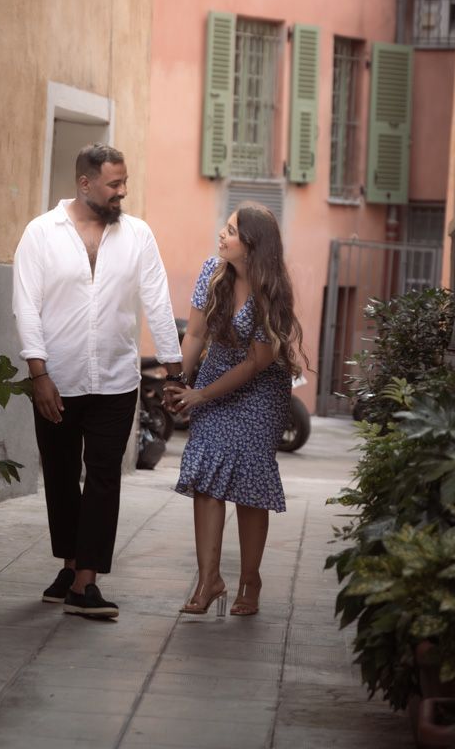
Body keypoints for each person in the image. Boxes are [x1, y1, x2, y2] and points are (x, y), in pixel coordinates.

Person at [12, 143, 183, 620]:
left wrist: (173, 367)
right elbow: (26, 306)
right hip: (57, 379)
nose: (122, 192)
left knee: (105, 477)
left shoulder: (138, 236)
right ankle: (69, 568)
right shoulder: (41, 234)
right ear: (84, 183)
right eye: (114, 184)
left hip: (115, 379)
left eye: (124, 183)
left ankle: (86, 581)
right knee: (62, 477)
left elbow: (156, 298)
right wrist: (39, 374)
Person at [164, 203, 305, 618]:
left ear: (252, 245)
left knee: (248, 482)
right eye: (224, 228)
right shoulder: (212, 272)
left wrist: (201, 396)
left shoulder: (271, 292)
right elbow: (193, 333)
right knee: (206, 475)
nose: (221, 235)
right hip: (214, 375)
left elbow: (256, 363)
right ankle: (209, 580)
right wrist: (181, 382)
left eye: (230, 231)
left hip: (260, 390)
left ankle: (250, 579)